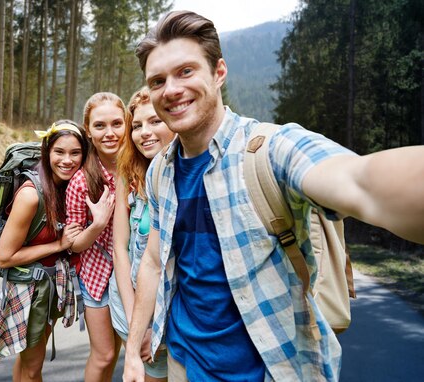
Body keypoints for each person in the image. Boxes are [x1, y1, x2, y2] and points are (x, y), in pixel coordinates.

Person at [123, 10, 424, 382]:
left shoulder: (269, 151)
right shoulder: (161, 171)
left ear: (218, 73)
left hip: (271, 368)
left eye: (186, 71)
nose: (170, 90)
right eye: (157, 81)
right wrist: (133, 349)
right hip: (183, 363)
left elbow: (361, 180)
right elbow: (153, 260)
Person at [0, 120, 87, 381]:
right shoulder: (31, 194)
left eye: (75, 153)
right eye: (59, 152)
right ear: (47, 153)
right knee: (33, 368)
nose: (67, 160)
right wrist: (59, 244)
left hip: (48, 285)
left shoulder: (66, 188)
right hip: (29, 289)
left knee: (27, 361)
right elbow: (4, 257)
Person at [110, 86, 175, 382]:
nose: (144, 132)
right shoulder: (128, 174)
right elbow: (120, 249)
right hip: (129, 302)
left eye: (155, 121)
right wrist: (137, 322)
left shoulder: (186, 177)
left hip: (170, 314)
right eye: (136, 126)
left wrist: (157, 324)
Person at [65, 92, 126, 381]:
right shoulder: (82, 180)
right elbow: (74, 244)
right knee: (104, 355)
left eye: (117, 123)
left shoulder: (140, 167)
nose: (110, 133)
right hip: (98, 276)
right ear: (88, 130)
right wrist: (97, 224)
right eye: (100, 126)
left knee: (131, 350)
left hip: (134, 272)